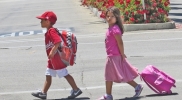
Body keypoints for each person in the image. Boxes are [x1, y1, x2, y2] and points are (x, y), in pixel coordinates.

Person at [31, 11, 82, 99]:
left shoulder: (51, 31)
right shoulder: (49, 31)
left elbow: (57, 41)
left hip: (56, 58)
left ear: (47, 21)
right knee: (48, 74)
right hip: (52, 59)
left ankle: (76, 89)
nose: (40, 22)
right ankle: (43, 93)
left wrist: (52, 52)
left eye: (42, 20)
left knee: (64, 74)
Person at [98, 7, 143, 100]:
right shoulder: (111, 27)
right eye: (108, 16)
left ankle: (108, 95)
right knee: (118, 74)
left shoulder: (115, 29)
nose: (109, 18)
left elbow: (120, 42)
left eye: (112, 16)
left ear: (117, 17)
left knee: (109, 75)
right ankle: (136, 87)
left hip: (114, 56)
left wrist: (122, 54)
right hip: (111, 55)